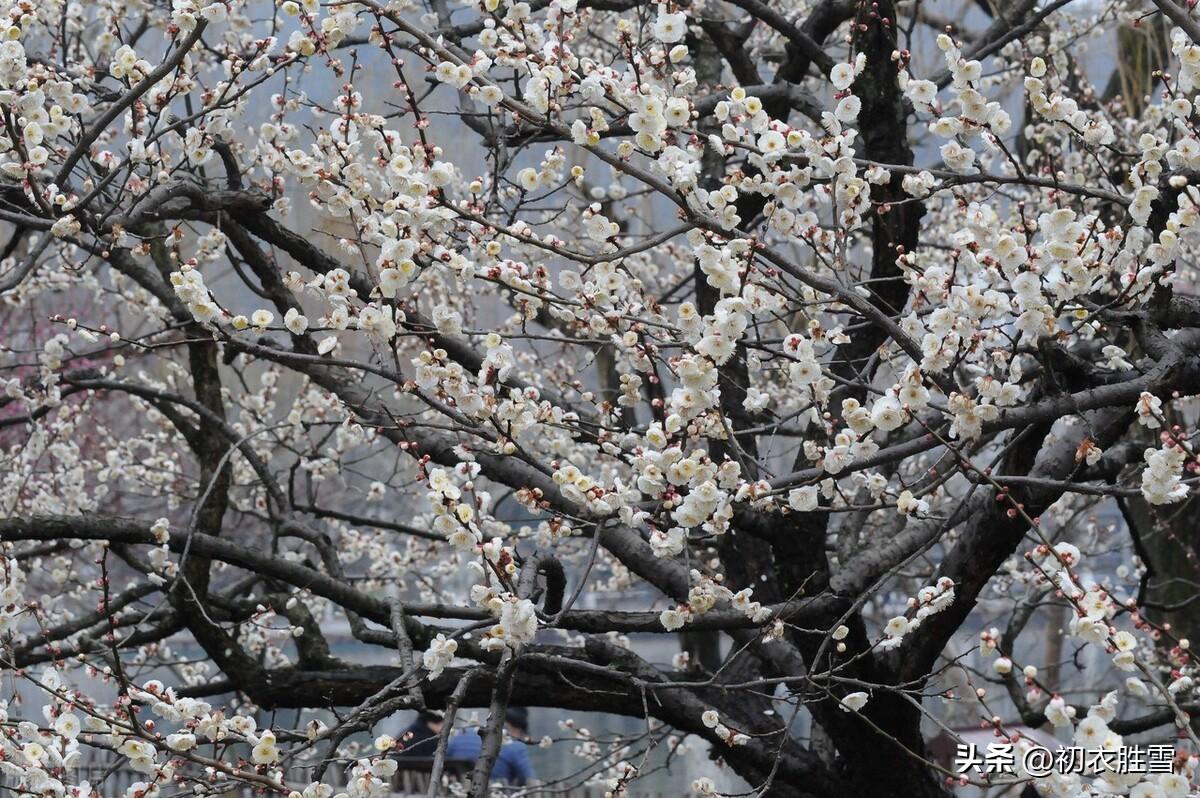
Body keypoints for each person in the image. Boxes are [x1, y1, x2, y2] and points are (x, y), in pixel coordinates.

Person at [445, 706, 536, 785]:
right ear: (518, 730)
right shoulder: (516, 746)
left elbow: (444, 762)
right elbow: (529, 780)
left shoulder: (461, 734)